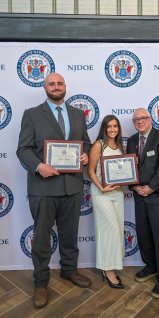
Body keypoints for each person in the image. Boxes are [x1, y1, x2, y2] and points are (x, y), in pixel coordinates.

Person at [16, 72, 92, 309]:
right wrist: (39, 166)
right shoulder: (32, 115)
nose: (56, 87)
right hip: (43, 187)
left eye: (60, 83)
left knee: (70, 234)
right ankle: (40, 282)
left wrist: (86, 153)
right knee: (41, 238)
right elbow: (23, 149)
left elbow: (86, 142)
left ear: (65, 86)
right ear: (45, 87)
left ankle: (69, 270)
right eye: (52, 84)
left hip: (72, 186)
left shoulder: (78, 114)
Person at [127, 108, 159, 299]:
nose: (140, 121)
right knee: (144, 234)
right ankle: (151, 266)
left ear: (151, 119)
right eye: (136, 119)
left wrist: (151, 188)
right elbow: (128, 166)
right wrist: (135, 186)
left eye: (143, 118)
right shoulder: (131, 140)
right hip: (139, 195)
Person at [88, 115, 125, 289]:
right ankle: (108, 270)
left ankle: (110, 266)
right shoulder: (98, 145)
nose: (112, 129)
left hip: (117, 193)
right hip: (101, 193)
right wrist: (101, 187)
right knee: (109, 229)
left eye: (115, 126)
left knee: (116, 230)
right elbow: (90, 171)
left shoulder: (120, 146)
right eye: (109, 126)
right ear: (104, 128)